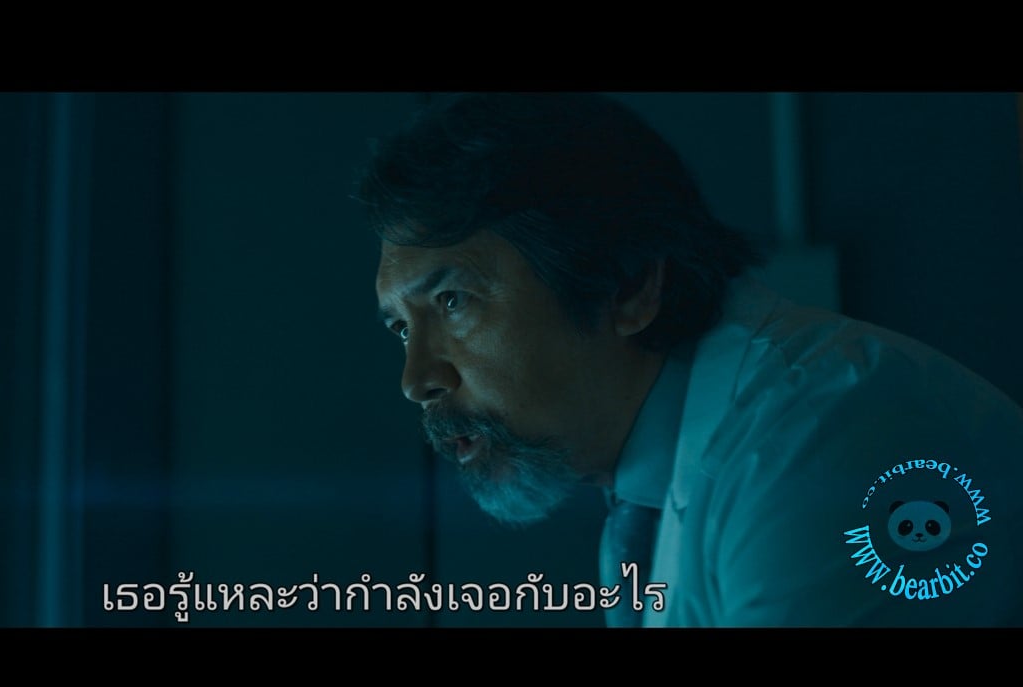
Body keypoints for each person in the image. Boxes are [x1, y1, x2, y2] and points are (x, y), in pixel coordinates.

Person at [360, 92, 1023, 627]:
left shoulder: (827, 441)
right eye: (400, 328)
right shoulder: (642, 500)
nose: (416, 379)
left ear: (628, 286)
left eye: (452, 301)